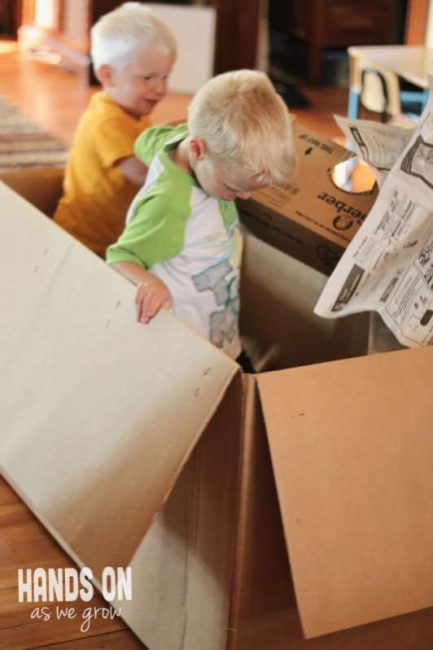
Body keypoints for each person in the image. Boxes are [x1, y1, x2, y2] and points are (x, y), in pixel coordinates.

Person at [106, 69, 296, 364]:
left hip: (221, 331)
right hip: (188, 351)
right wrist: (149, 283)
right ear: (197, 150)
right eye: (235, 188)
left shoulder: (184, 143)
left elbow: (147, 139)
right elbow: (120, 256)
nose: (246, 198)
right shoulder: (171, 204)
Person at [53, 2, 176, 257]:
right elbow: (144, 174)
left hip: (118, 237)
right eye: (148, 78)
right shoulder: (107, 120)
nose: (160, 89)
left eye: (165, 76)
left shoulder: (135, 111)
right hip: (84, 242)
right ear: (108, 76)